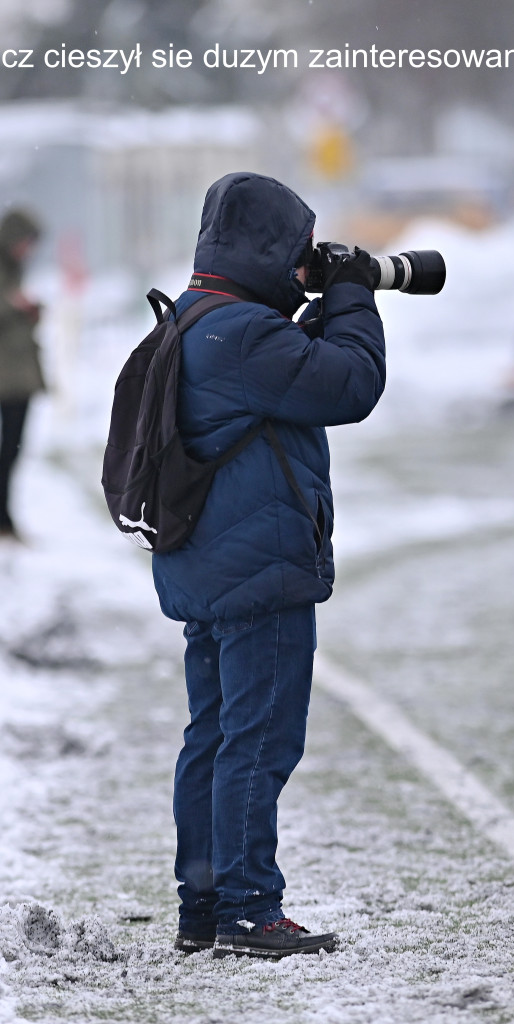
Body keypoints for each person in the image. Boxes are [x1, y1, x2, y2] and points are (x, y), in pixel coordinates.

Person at [151, 172, 386, 959]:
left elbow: (292, 372)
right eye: (295, 253)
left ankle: (205, 905)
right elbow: (351, 384)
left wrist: (324, 302)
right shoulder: (247, 337)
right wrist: (353, 292)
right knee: (258, 739)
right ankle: (251, 908)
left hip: (208, 566)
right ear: (266, 249)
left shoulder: (198, 320)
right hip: (260, 572)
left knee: (214, 736)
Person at [0, 208, 45, 541]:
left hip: (17, 377)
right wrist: (15, 307)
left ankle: (5, 516)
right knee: (8, 448)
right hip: (8, 376)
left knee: (13, 448)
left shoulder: (14, 269)